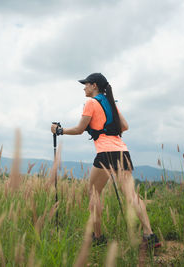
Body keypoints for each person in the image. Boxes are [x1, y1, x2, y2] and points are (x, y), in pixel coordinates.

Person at [50, 73, 160, 248]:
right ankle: (150, 235)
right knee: (132, 195)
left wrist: (59, 130)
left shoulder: (91, 103)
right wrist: (107, 129)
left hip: (105, 153)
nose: (84, 87)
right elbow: (125, 126)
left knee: (94, 193)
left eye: (86, 84)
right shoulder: (110, 103)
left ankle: (98, 237)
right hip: (122, 151)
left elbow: (79, 129)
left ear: (94, 86)